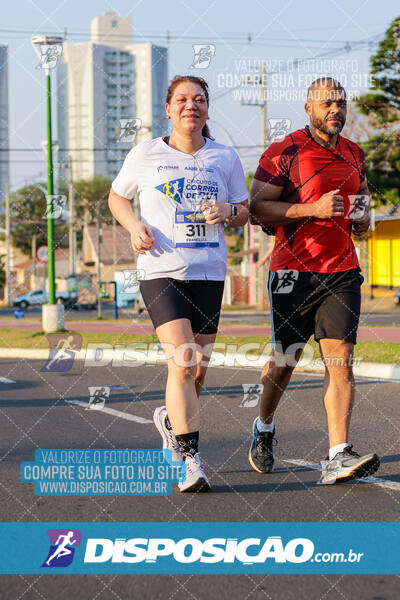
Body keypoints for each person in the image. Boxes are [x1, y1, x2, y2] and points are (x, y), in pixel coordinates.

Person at [109, 75, 249, 492]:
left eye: (200, 99)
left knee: (198, 370)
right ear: (168, 109)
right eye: (183, 99)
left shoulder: (224, 157)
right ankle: (191, 461)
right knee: (184, 361)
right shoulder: (146, 154)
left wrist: (229, 209)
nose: (192, 106)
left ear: (207, 109)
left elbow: (245, 210)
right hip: (161, 269)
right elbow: (117, 197)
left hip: (209, 270)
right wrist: (133, 226)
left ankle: (171, 421)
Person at [249, 77, 380, 485]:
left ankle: (338, 453)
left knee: (340, 362)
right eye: (327, 103)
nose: (335, 110)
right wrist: (312, 208)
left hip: (341, 272)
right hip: (292, 273)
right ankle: (264, 426)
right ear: (308, 107)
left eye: (340, 102)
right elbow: (257, 209)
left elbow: (363, 213)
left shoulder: (355, 154)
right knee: (285, 361)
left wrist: (362, 222)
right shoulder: (284, 150)